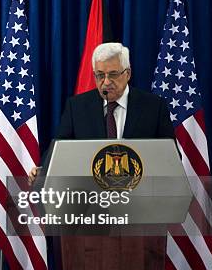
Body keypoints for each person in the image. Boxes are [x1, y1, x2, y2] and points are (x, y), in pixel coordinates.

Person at [30, 42, 174, 181]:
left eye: (113, 74)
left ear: (128, 74)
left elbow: (171, 158)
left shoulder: (154, 106)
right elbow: (59, 149)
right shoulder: (77, 107)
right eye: (100, 75)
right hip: (90, 197)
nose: (106, 82)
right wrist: (43, 169)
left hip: (140, 194)